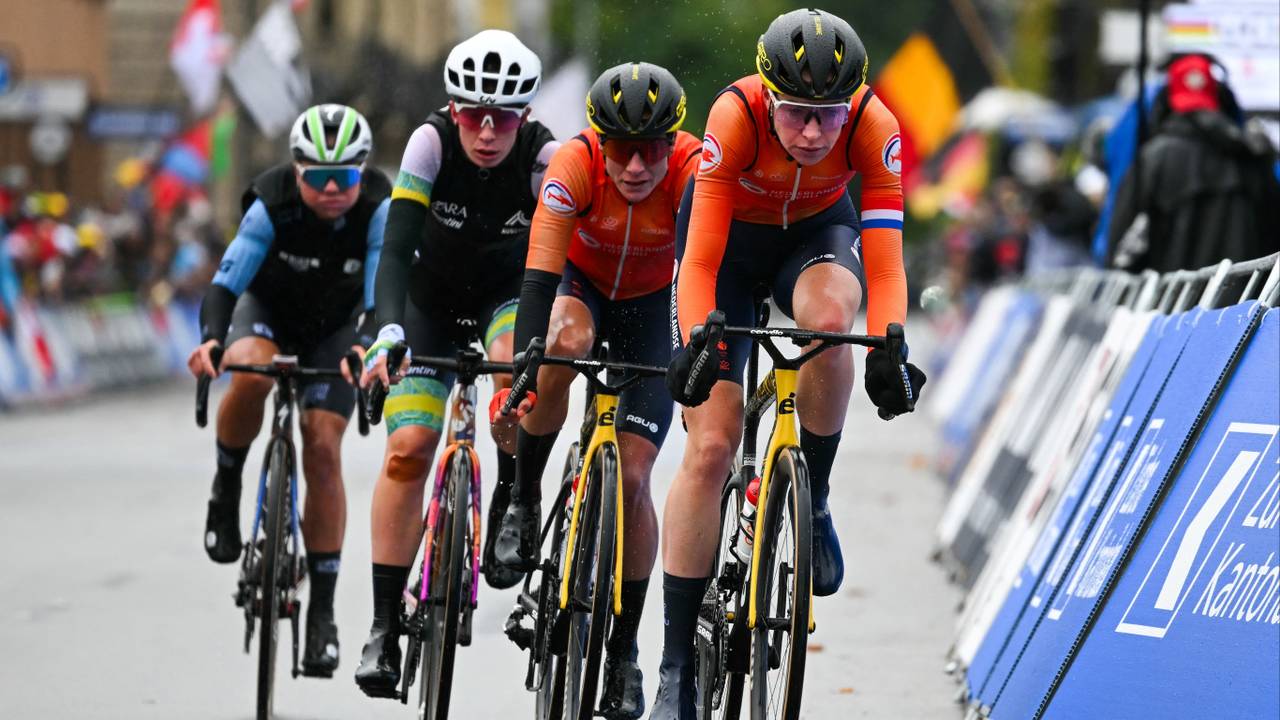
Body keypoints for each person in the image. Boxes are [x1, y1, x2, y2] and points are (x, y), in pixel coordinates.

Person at [655, 9, 926, 716]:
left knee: (833, 321)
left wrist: (891, 342)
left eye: (827, 117)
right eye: (798, 115)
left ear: (851, 107)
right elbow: (702, 259)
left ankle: (818, 494)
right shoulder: (734, 115)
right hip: (727, 251)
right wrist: (694, 344)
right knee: (710, 448)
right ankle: (675, 670)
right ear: (771, 98)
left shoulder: (875, 127)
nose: (812, 134)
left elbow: (888, 262)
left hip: (814, 238)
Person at [353, 29, 560, 698]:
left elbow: (561, 255)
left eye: (504, 116)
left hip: (507, 296)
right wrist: (386, 328)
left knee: (511, 366)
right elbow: (396, 244)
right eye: (475, 113)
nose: (489, 130)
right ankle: (385, 625)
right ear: (453, 108)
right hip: (428, 302)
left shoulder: (542, 156)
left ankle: (507, 501)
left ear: (525, 114)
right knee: (408, 448)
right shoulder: (429, 143)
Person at [492, 62, 700, 719]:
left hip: (649, 310)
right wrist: (528, 359)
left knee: (634, 480)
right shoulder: (574, 165)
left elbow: (707, 267)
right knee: (563, 341)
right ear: (599, 143)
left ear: (672, 145)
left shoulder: (696, 169)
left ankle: (624, 654)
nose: (636, 167)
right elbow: (537, 275)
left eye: (650, 152)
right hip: (579, 289)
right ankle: (525, 499)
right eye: (622, 151)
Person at [187, 103, 389, 678]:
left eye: (344, 176)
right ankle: (226, 488)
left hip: (337, 329)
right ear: (296, 170)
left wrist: (364, 347)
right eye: (317, 176)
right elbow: (226, 285)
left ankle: (322, 614)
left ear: (362, 172)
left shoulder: (378, 206)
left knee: (322, 447)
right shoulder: (271, 201)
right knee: (248, 370)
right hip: (269, 313)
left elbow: (379, 296)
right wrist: (210, 342)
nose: (331, 188)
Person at [1108, 53, 1280, 272]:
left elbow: (1122, 248)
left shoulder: (1153, 158)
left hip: (1170, 301)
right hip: (1243, 301)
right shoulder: (1253, 154)